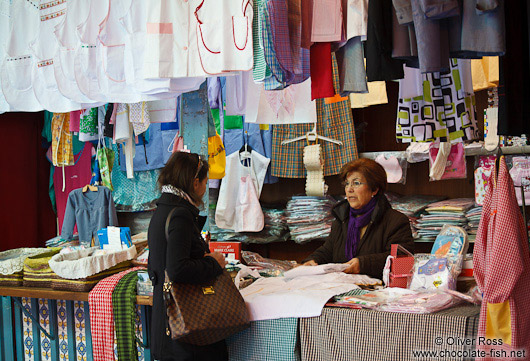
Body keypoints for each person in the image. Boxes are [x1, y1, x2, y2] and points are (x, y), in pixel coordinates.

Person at [148, 152, 228, 361]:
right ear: (195, 182)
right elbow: (177, 269)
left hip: (168, 322)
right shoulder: (180, 215)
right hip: (185, 328)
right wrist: (213, 263)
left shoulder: (162, 209)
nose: (204, 187)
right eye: (204, 181)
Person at [303, 158, 414, 279]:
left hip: (380, 292)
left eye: (356, 183)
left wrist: (363, 264)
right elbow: (328, 250)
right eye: (347, 183)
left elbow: (401, 261)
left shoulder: (396, 221)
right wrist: (312, 261)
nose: (349, 189)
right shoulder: (342, 219)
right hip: (343, 290)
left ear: (374, 189)